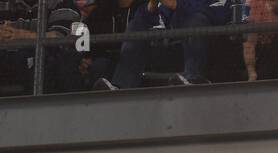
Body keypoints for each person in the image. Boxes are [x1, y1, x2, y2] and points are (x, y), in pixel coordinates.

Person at [95, 0, 232, 90]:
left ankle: (192, 78)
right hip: (165, 50)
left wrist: (177, 5)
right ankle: (121, 85)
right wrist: (151, 8)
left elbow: (218, 14)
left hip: (203, 52)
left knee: (197, 21)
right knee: (136, 24)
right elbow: (150, 19)